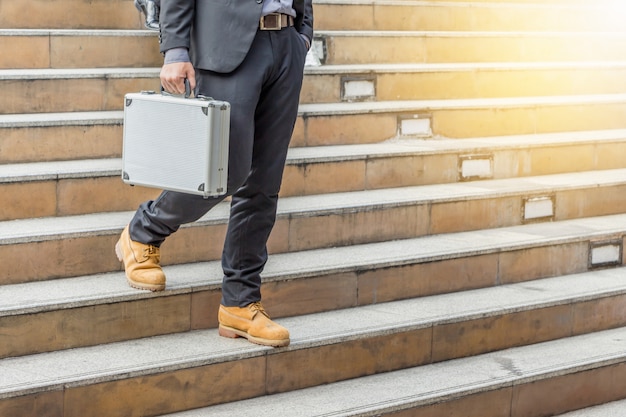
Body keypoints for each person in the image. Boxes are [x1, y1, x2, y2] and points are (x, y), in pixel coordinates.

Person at [116, 0, 313, 348]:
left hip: (286, 43)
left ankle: (239, 301)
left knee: (264, 183)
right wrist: (175, 48)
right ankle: (144, 231)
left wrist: (303, 32)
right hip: (228, 43)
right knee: (225, 170)